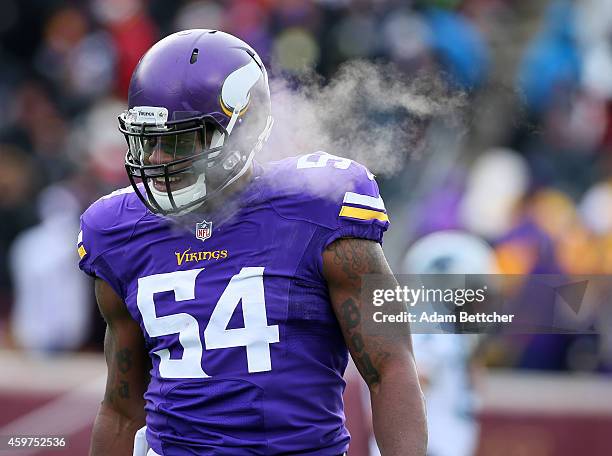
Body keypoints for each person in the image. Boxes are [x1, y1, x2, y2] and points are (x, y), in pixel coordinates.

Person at [77, 30, 426, 456]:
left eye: (179, 140)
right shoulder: (117, 231)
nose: (156, 159)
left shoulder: (317, 207)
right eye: (150, 140)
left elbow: (390, 369)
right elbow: (121, 408)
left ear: (244, 126)